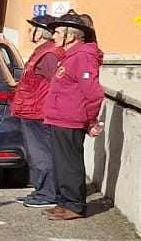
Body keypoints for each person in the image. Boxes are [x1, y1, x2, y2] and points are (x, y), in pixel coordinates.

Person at [41, 12, 105, 221]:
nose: (54, 37)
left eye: (58, 32)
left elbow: (93, 92)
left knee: (70, 163)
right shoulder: (70, 57)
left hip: (70, 119)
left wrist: (91, 120)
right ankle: (63, 202)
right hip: (59, 117)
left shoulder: (83, 57)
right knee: (60, 163)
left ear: (71, 36)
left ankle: (75, 205)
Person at [11, 15, 60, 208]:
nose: (29, 32)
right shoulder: (42, 52)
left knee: (42, 153)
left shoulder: (49, 55)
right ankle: (41, 190)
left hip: (38, 112)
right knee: (36, 153)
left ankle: (47, 193)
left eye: (32, 29)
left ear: (41, 32)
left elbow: (56, 84)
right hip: (31, 111)